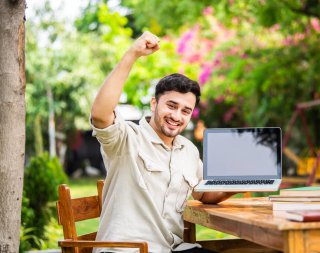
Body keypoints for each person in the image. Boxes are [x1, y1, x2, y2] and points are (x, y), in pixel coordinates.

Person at [90, 31, 236, 253]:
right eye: (171, 106)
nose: (177, 116)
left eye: (186, 111)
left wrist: (243, 182)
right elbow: (100, 114)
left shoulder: (188, 150)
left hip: (171, 248)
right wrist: (133, 54)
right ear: (153, 103)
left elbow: (205, 193)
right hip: (124, 250)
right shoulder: (125, 139)